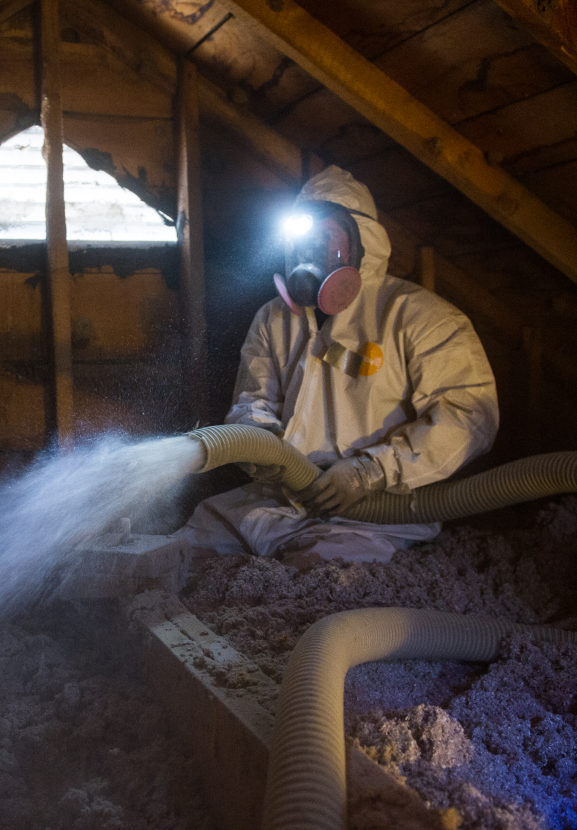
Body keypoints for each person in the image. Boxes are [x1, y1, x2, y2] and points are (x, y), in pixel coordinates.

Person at [179, 166, 499, 566]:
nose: (305, 253)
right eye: (298, 240)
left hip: (375, 516)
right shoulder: (274, 318)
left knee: (319, 575)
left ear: (360, 243)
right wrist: (261, 445)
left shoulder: (420, 317)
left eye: (319, 239)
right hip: (279, 502)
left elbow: (470, 416)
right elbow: (252, 399)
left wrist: (369, 472)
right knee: (185, 549)